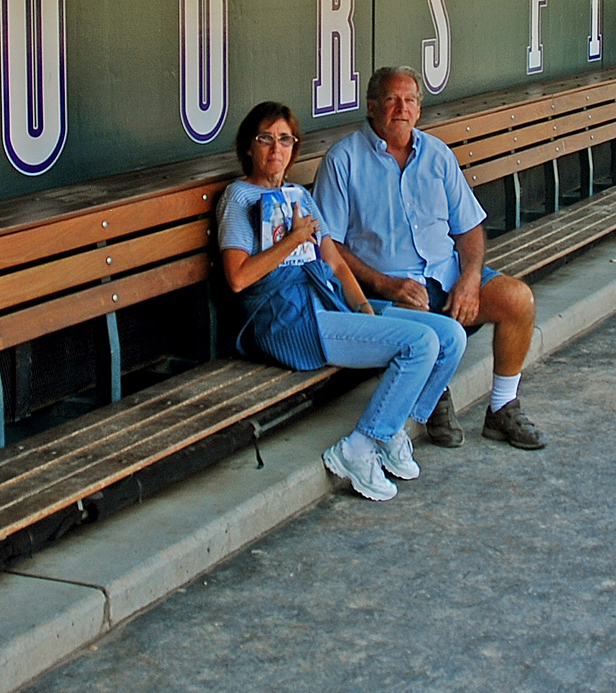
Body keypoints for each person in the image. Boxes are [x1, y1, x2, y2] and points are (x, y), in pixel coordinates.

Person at [216, 101, 467, 501]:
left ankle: (393, 427)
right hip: (287, 320)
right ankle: (360, 447)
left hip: (328, 301)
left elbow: (334, 265)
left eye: (285, 140)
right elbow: (238, 277)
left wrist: (367, 312)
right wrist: (294, 241)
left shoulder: (300, 195)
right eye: (265, 139)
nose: (275, 149)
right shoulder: (239, 198)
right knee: (419, 344)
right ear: (249, 146)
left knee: (450, 336)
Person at [313, 66, 546, 450]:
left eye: (410, 100)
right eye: (391, 99)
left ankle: (503, 407)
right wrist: (384, 283)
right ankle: (434, 397)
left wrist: (470, 278)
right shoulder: (344, 160)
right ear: (372, 106)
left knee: (517, 299)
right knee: (423, 323)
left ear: (419, 109)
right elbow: (330, 245)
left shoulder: (436, 154)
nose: (401, 108)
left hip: (447, 277)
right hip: (389, 290)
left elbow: (468, 228)